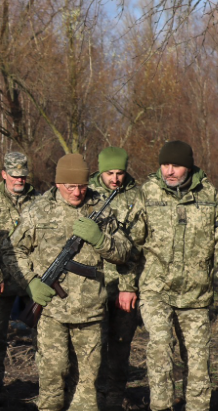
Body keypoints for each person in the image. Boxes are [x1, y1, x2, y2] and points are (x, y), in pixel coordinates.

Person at [3, 154, 131, 411]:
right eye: (70, 187)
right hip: (51, 311)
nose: (77, 192)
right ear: (58, 183)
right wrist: (30, 282)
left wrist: (100, 240)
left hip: (91, 311)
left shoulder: (101, 209)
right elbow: (11, 250)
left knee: (87, 385)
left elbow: (124, 251)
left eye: (82, 186)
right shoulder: (39, 210)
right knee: (52, 379)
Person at [136, 141, 215, 411]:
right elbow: (132, 244)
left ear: (189, 167)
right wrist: (125, 285)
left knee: (198, 359)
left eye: (176, 165)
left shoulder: (209, 195)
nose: (169, 171)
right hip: (156, 289)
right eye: (165, 164)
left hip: (197, 293)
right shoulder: (147, 193)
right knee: (159, 349)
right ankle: (161, 406)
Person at [87, 147, 146, 409]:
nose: (115, 178)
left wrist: (128, 286)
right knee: (91, 346)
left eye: (120, 172)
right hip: (91, 283)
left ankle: (113, 399)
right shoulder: (84, 193)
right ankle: (93, 397)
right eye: (109, 172)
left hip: (124, 283)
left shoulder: (138, 196)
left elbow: (137, 247)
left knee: (120, 346)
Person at [0, 152, 39, 392]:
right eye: (15, 176)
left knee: (42, 330)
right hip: (0, 278)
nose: (19, 180)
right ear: (4, 174)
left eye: (23, 176)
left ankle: (48, 379)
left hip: (30, 277)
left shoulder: (39, 200)